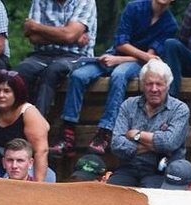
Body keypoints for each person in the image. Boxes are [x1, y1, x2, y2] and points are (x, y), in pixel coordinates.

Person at [50, 0, 177, 158]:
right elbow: (121, 43)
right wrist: (122, 58)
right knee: (78, 76)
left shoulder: (170, 23)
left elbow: (149, 59)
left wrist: (120, 60)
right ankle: (68, 131)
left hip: (135, 64)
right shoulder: (134, 7)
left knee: (119, 75)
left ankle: (105, 132)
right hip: (115, 54)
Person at [107, 58, 188, 187]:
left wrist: (135, 135)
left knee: (152, 193)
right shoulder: (128, 105)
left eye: (159, 84)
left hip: (161, 171)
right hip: (129, 168)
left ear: (167, 85)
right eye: (149, 84)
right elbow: (116, 144)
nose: (154, 89)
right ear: (142, 85)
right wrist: (153, 146)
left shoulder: (179, 109)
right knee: (111, 193)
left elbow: (169, 143)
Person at [13, 0, 97, 118]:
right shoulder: (40, 1)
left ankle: (37, 124)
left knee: (53, 71)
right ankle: (14, 124)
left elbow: (69, 35)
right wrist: (67, 36)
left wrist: (36, 27)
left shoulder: (85, 1)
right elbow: (33, 38)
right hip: (42, 54)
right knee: (20, 72)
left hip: (74, 56)